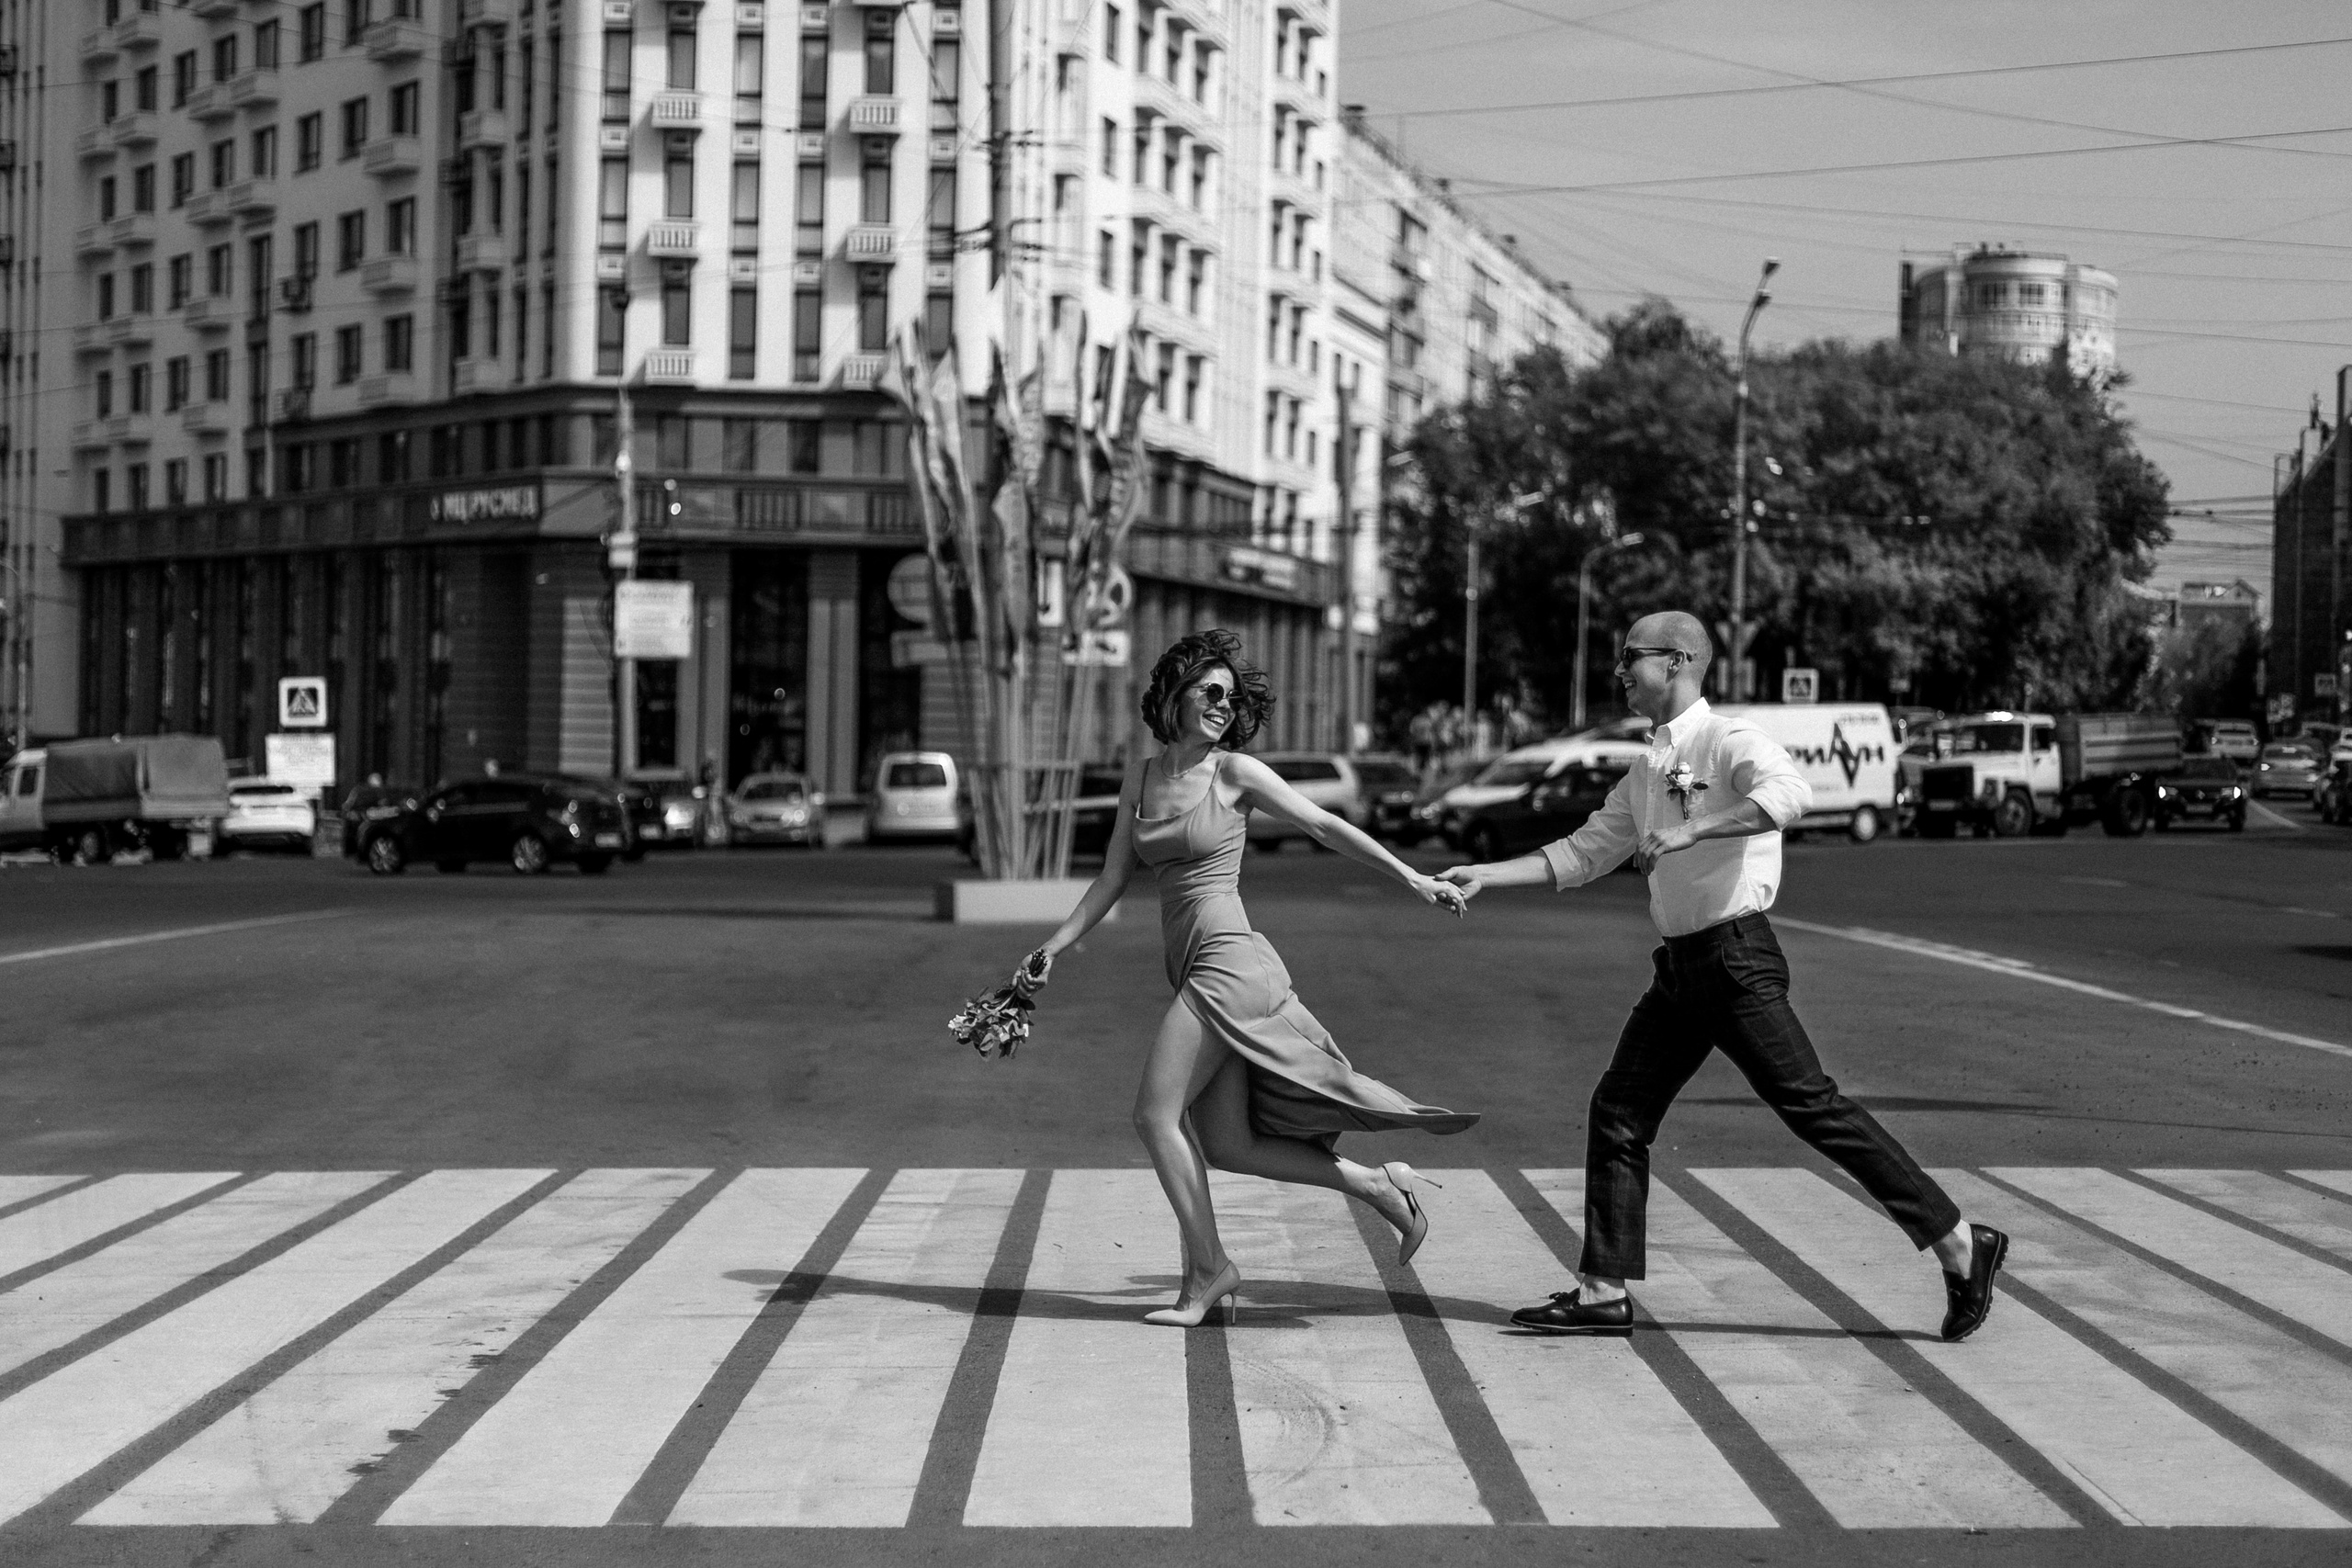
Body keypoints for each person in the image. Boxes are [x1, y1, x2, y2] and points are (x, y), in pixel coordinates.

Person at [1440, 611, 2006, 1341]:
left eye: (1629, 658)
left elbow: (1788, 796)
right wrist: (1485, 873)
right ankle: (1603, 1290)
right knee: (1618, 1111)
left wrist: (1693, 827)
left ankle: (1960, 1241)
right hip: (1682, 969)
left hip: (1735, 958)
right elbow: (1583, 853)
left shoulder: (1729, 740)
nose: (1620, 672)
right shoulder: (1648, 766)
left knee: (1813, 1107)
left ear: (1676, 662)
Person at [1020, 628, 1477, 1327]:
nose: (1222, 707)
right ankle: (1380, 1186)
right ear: (1172, 691)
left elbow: (1323, 824)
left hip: (1227, 963)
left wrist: (1413, 876)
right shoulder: (1141, 777)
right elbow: (1114, 875)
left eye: (1230, 699)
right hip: (1191, 967)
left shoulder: (1234, 773)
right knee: (1228, 1142)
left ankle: (1209, 1271)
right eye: (1210, 692)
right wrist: (1052, 945)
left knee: (1153, 1114)